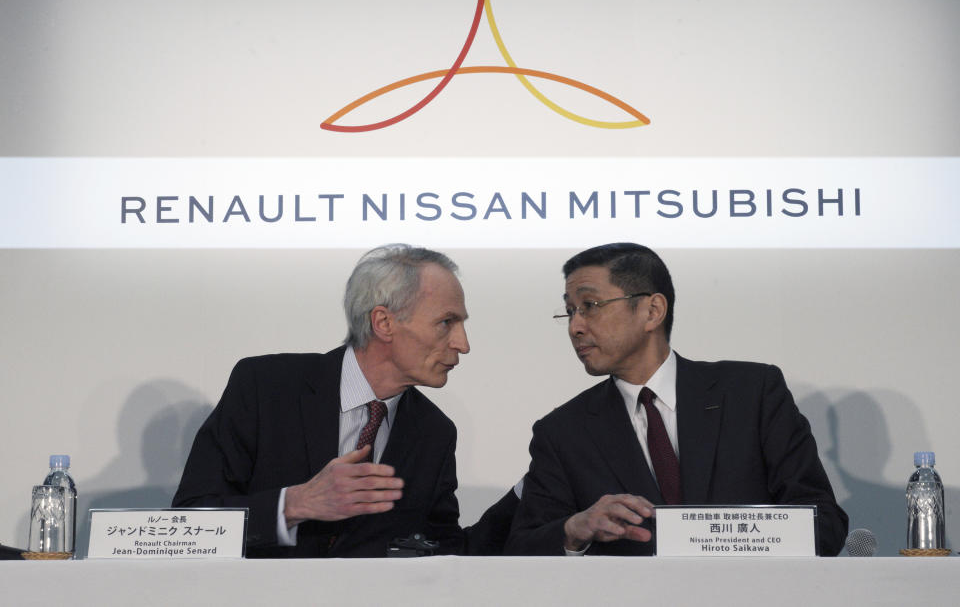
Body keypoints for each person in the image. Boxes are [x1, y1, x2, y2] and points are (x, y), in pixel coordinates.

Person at [173, 244, 517, 557]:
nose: (463, 343)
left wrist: (527, 497)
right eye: (446, 322)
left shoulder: (434, 432)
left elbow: (444, 549)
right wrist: (294, 504)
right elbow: (188, 524)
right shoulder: (265, 387)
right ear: (383, 322)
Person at [506, 243, 848, 556]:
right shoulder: (563, 431)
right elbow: (522, 548)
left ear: (652, 311)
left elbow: (823, 522)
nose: (575, 326)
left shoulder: (753, 393)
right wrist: (573, 531)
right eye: (570, 311)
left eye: (590, 306)